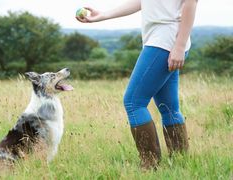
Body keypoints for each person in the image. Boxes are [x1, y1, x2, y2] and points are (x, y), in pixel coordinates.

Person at [76, 0, 198, 170]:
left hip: (166, 40)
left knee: (133, 102)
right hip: (161, 39)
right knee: (168, 107)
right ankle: (181, 163)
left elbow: (191, 2)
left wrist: (179, 45)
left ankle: (150, 166)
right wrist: (103, 15)